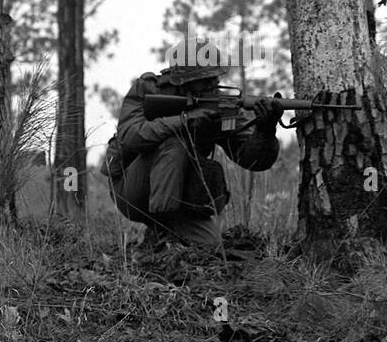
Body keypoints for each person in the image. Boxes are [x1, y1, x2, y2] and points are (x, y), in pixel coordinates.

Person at [101, 53, 285, 251]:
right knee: (175, 142)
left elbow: (251, 160)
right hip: (131, 191)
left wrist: (265, 130)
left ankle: (164, 231)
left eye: (215, 77)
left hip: (181, 196)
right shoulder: (149, 89)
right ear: (184, 82)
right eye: (205, 80)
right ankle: (162, 233)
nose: (213, 84)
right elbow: (129, 136)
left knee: (210, 247)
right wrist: (184, 121)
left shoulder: (220, 106)